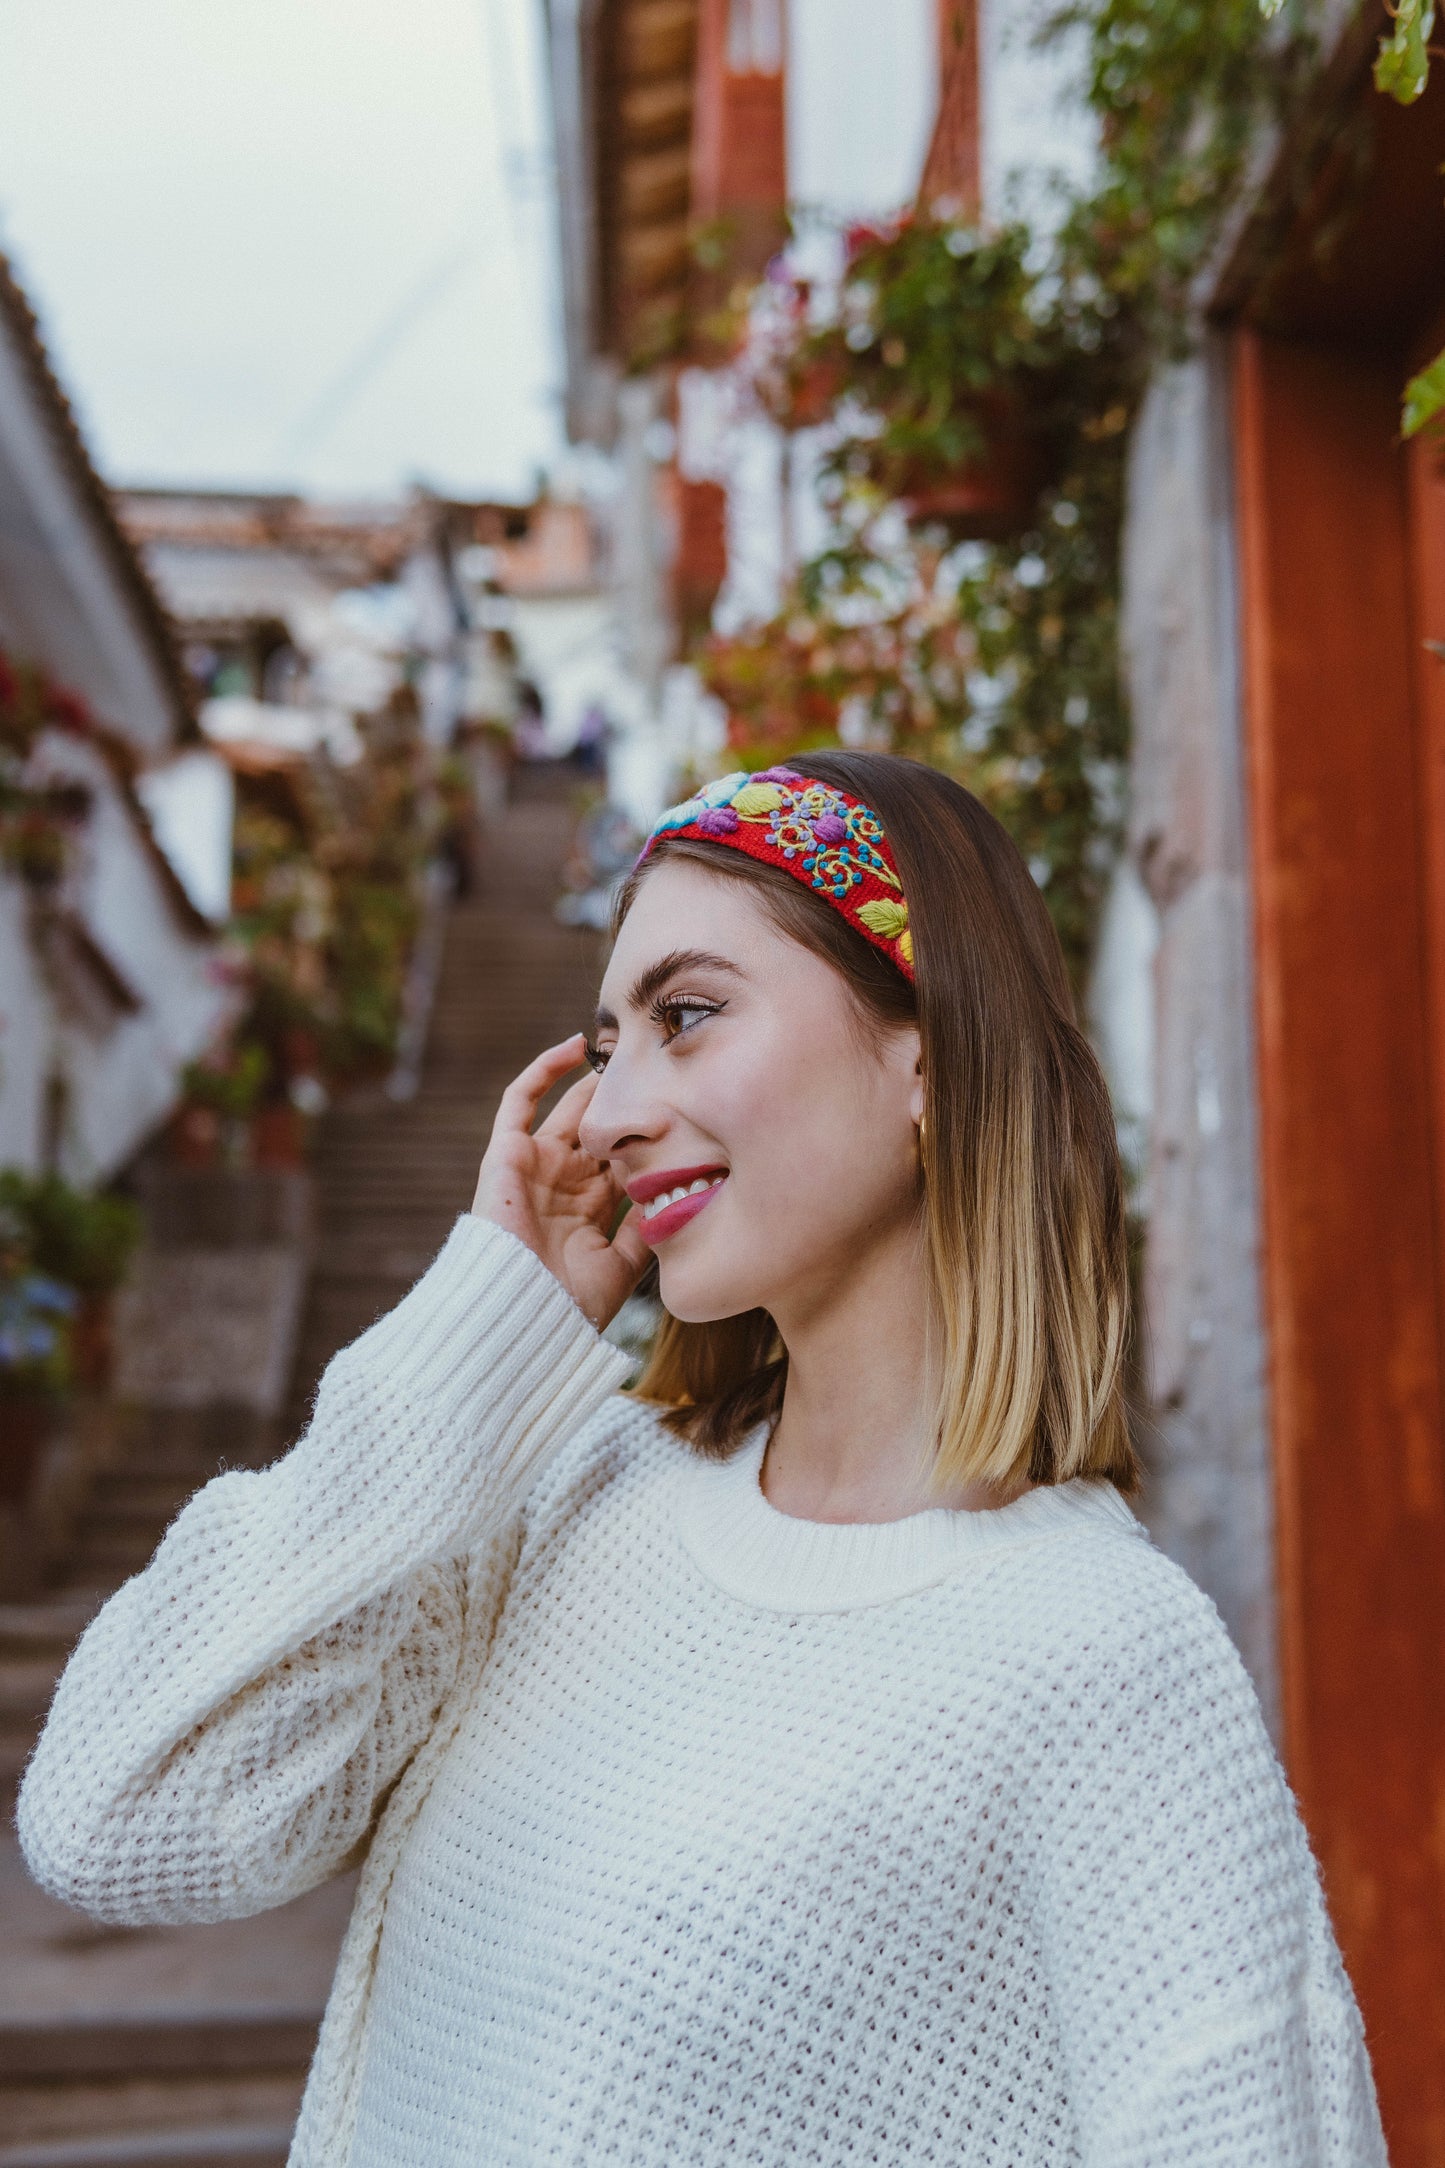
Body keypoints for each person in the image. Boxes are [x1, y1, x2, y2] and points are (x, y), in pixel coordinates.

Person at [19, 753, 1385, 2166]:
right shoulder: (570, 1500)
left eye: (687, 1017)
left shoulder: (1096, 1656)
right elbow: (116, 1814)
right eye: (605, 1045)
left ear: (928, 1054)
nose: (606, 1114)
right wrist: (487, 1321)